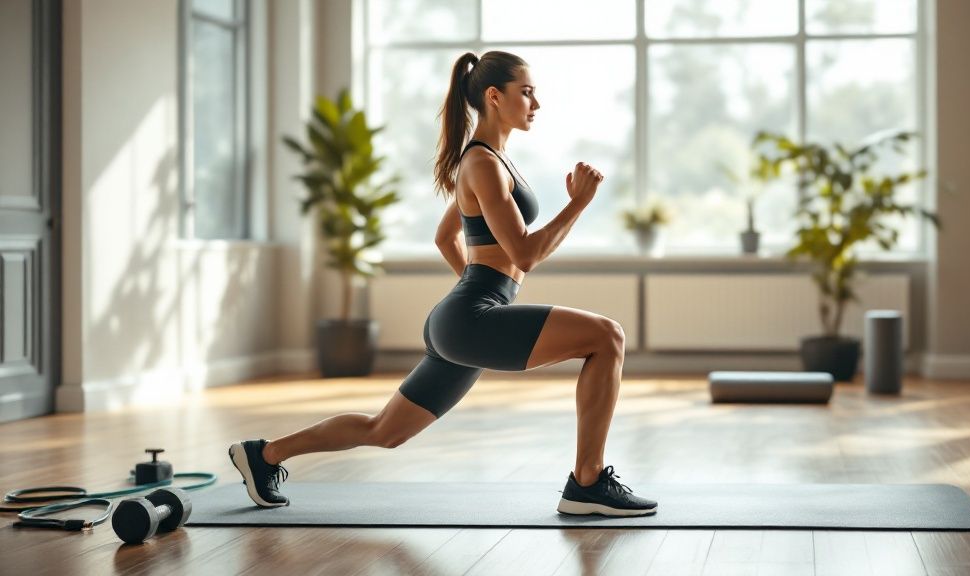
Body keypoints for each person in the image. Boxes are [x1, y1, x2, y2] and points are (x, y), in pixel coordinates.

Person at [229, 50, 657, 517]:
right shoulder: (483, 165)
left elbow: (444, 236)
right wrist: (579, 203)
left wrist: (480, 290)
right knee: (606, 335)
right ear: (495, 97)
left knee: (384, 431)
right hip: (469, 318)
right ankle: (587, 482)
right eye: (528, 92)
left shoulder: (490, 160)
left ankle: (264, 455)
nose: (537, 103)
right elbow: (526, 254)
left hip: (462, 318)